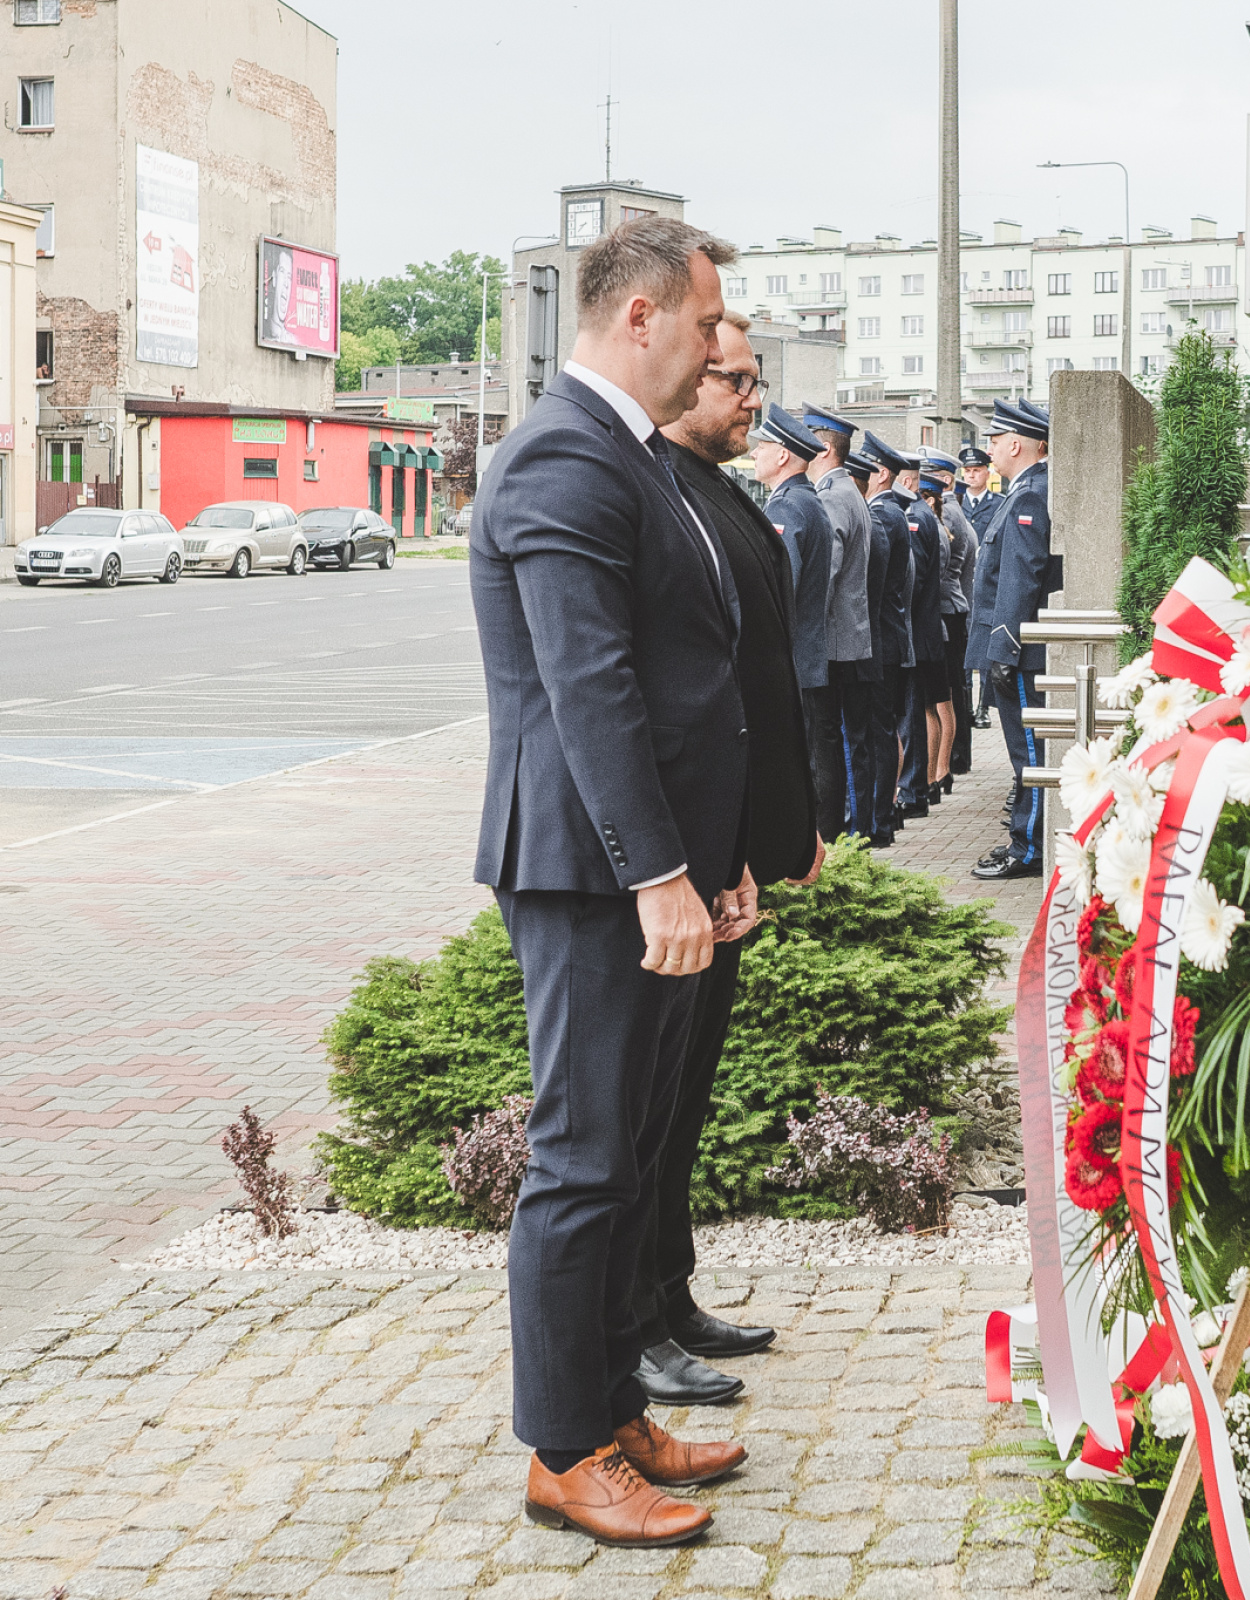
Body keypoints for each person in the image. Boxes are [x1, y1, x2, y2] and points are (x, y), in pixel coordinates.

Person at [468, 214, 750, 1548]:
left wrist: (720, 862)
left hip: (637, 870)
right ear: (638, 316)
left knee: (631, 1149)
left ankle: (609, 1401)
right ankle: (564, 1451)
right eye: (700, 326)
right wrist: (660, 877)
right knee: (582, 1164)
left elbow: (690, 687)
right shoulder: (562, 462)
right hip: (589, 874)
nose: (710, 355)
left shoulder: (623, 458)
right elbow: (593, 695)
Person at [641, 319, 826, 1404]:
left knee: (686, 1094)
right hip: (674, 858)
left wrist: (766, 838)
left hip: (719, 854)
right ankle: (639, 1317)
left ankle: (669, 1292)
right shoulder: (659, 491)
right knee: (649, 1108)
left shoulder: (721, 493)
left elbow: (763, 687)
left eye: (756, 380)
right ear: (677, 375)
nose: (753, 399)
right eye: (735, 380)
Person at [965, 398, 1056, 880]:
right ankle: (1025, 839)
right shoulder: (1026, 491)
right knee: (1026, 752)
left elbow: (1020, 579)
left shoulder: (1027, 495)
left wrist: (1004, 647)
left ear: (1017, 444)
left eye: (995, 440)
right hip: (1017, 648)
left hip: (1019, 651)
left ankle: (1030, 848)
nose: (991, 448)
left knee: (1029, 754)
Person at [755, 405, 847, 845]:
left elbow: (779, 585)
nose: (756, 453)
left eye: (764, 446)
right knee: (817, 749)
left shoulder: (789, 507)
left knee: (809, 755)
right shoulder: (803, 500)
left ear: (784, 457)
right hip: (807, 652)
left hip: (795, 655)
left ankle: (818, 839)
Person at [804, 404, 878, 843]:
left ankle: (834, 836)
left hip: (830, 641)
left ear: (826, 447)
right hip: (845, 638)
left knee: (826, 744)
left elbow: (824, 576)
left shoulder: (832, 495)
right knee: (839, 740)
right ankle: (852, 829)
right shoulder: (848, 490)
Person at [856, 431, 914, 846]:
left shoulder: (883, 515)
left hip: (881, 637)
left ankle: (879, 820)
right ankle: (883, 815)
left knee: (878, 732)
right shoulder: (890, 511)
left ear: (879, 472)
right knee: (882, 730)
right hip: (888, 635)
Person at [894, 452, 947, 819]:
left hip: (914, 629)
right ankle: (917, 788)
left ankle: (913, 790)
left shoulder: (913, 516)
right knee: (917, 709)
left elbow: (911, 581)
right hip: (921, 629)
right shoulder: (923, 514)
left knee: (912, 711)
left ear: (908, 482)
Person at [920, 453, 975, 789]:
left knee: (943, 696)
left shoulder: (948, 515)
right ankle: (944, 767)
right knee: (946, 693)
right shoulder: (951, 510)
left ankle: (942, 768)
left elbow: (937, 571)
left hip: (945, 611)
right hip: (948, 609)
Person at [954, 444, 997, 748]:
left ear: (986, 472)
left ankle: (983, 708)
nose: (971, 475)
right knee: (963, 648)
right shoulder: (956, 504)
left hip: (986, 584)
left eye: (976, 470)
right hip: (960, 582)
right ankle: (967, 705)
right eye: (967, 471)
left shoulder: (998, 503)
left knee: (983, 646)